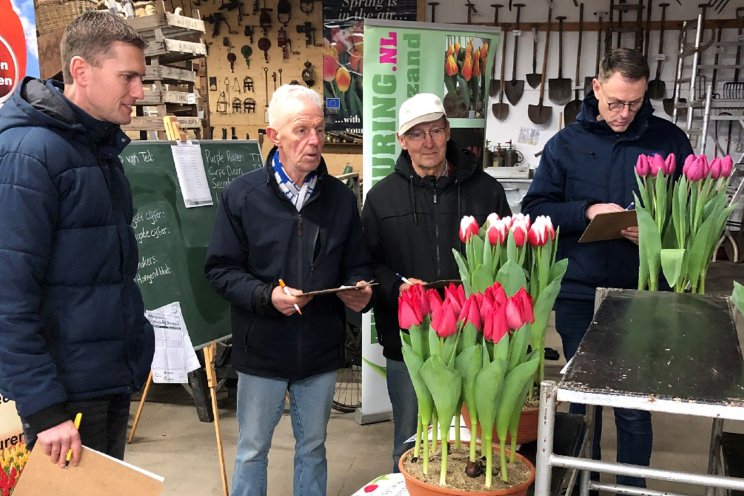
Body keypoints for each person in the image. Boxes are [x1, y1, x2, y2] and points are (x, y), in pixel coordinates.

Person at [521, 48, 694, 487]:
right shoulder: (565, 145)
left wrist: (657, 230)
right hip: (580, 292)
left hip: (642, 293)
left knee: (634, 405)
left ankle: (630, 487)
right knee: (584, 404)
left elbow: (689, 214)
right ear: (596, 88)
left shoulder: (668, 141)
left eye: (634, 103)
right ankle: (582, 485)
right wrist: (587, 211)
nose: (623, 113)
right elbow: (535, 209)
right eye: (615, 102)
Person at [0, 11, 154, 467]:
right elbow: (8, 297)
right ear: (81, 71)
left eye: (141, 78)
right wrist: (45, 410)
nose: (139, 92)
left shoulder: (97, 148)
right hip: (63, 401)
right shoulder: (29, 155)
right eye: (127, 77)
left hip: (103, 381)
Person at [204, 84, 373, 496]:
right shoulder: (242, 196)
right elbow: (221, 270)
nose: (314, 141)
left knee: (313, 447)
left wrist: (361, 289)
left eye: (319, 129)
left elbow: (357, 262)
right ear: (273, 136)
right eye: (301, 130)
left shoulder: (339, 198)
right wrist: (267, 296)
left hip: (319, 347)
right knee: (251, 450)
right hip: (261, 348)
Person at [361, 93, 512, 471]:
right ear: (401, 140)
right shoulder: (381, 198)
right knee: (411, 443)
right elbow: (367, 265)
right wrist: (398, 286)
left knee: (473, 443)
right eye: (416, 134)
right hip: (411, 340)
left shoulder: (486, 191)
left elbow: (508, 259)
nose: (427, 142)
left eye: (435, 130)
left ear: (448, 133)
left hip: (474, 339)